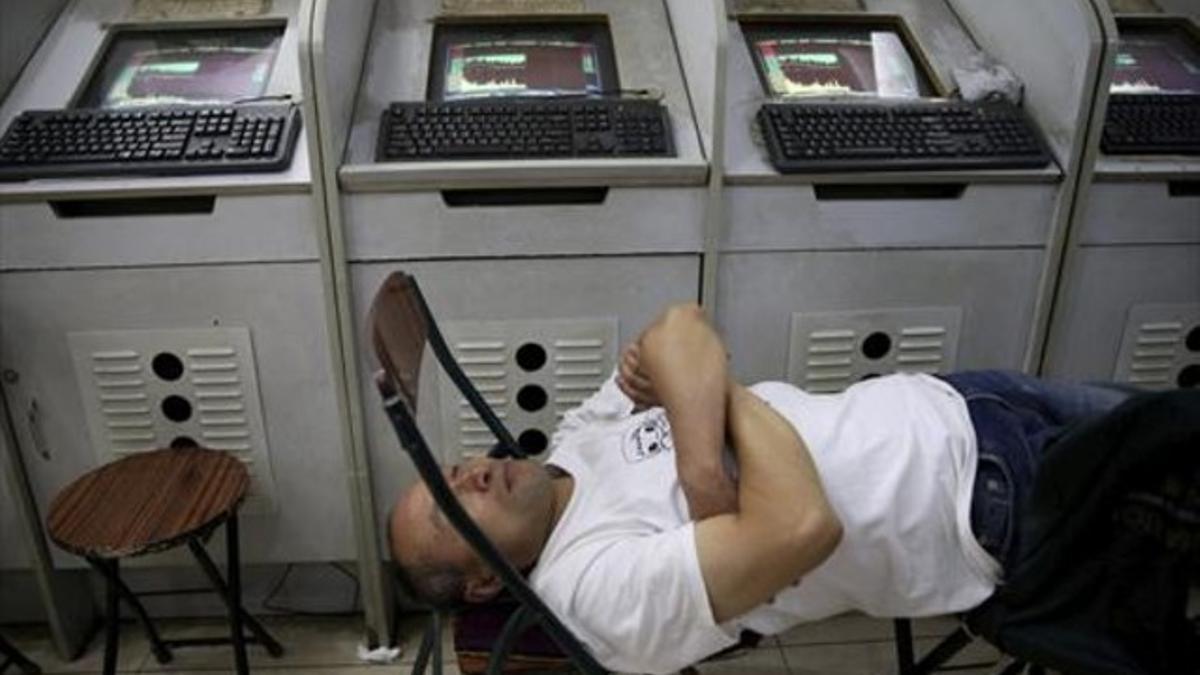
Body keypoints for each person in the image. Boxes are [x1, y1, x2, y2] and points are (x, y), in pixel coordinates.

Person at [387, 303, 1138, 674]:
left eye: (447, 472)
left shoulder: (574, 441)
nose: (471, 473)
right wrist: (708, 394)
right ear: (486, 583)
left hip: (956, 400)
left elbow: (678, 322)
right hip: (982, 503)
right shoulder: (594, 588)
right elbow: (803, 525)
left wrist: (704, 467)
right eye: (454, 508)